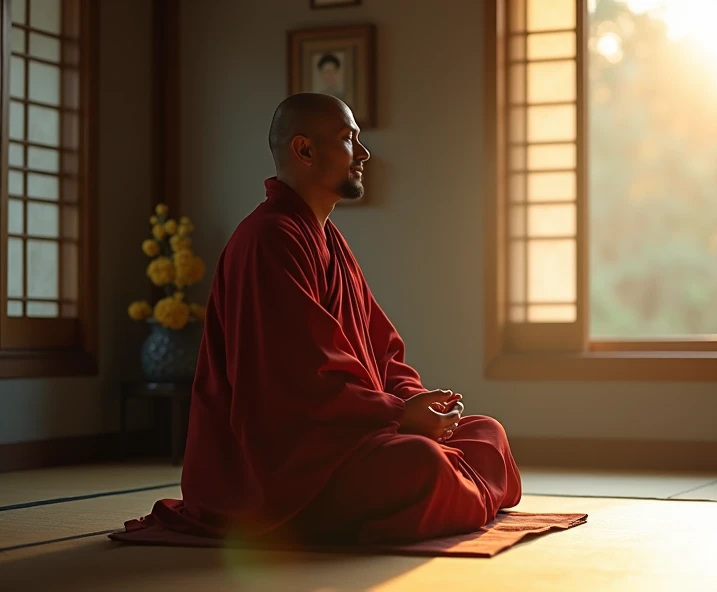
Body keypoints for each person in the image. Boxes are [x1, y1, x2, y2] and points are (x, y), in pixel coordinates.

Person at [124, 93, 522, 546]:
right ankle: (450, 490)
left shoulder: (328, 240)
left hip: (353, 436)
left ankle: (456, 491)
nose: (365, 153)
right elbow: (293, 382)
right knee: (423, 465)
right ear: (305, 150)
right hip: (287, 465)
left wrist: (418, 403)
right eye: (349, 139)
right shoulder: (268, 240)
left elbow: (382, 351)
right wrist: (398, 417)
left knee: (487, 432)